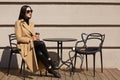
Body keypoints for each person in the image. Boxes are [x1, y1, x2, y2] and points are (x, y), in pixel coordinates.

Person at [15, 5, 61, 78]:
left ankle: (50, 69)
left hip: (32, 44)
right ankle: (50, 62)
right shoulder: (18, 23)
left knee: (39, 53)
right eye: (28, 11)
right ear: (23, 13)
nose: (30, 13)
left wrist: (35, 37)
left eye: (31, 11)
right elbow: (18, 38)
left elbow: (31, 35)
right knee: (42, 43)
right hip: (24, 45)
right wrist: (30, 39)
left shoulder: (31, 23)